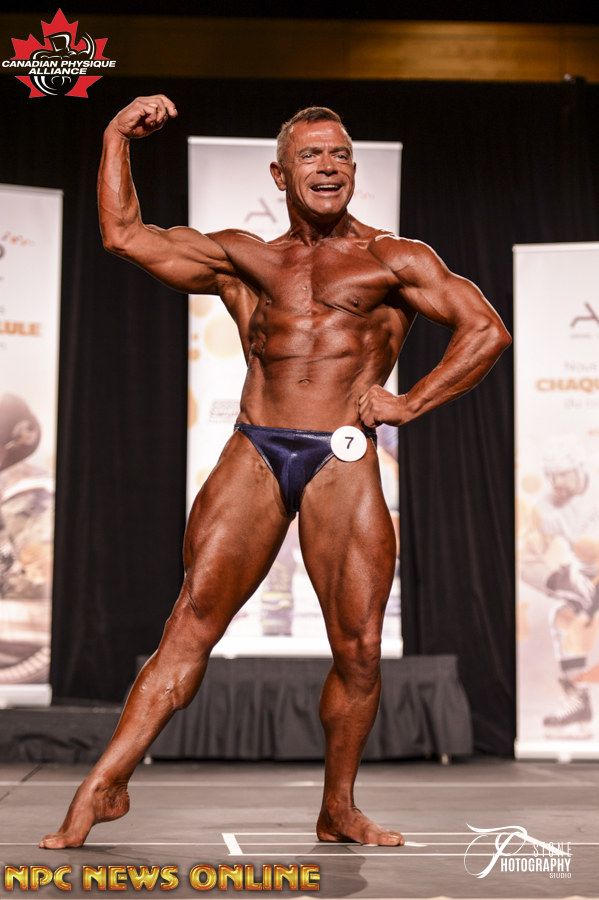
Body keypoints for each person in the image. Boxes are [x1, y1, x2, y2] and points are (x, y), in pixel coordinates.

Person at [40, 95, 511, 849]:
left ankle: (338, 807)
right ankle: (103, 785)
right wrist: (115, 135)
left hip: (342, 457)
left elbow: (485, 329)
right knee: (191, 620)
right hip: (256, 448)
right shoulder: (246, 259)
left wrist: (412, 402)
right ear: (280, 172)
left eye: (340, 154)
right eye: (311, 155)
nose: (328, 166)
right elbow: (124, 235)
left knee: (357, 648)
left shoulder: (393, 258)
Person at [520, 435, 599, 735]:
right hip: (586, 580)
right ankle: (578, 703)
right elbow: (528, 557)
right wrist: (561, 579)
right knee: (562, 616)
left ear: (579, 468)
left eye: (563, 474)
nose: (556, 482)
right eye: (551, 475)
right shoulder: (546, 506)